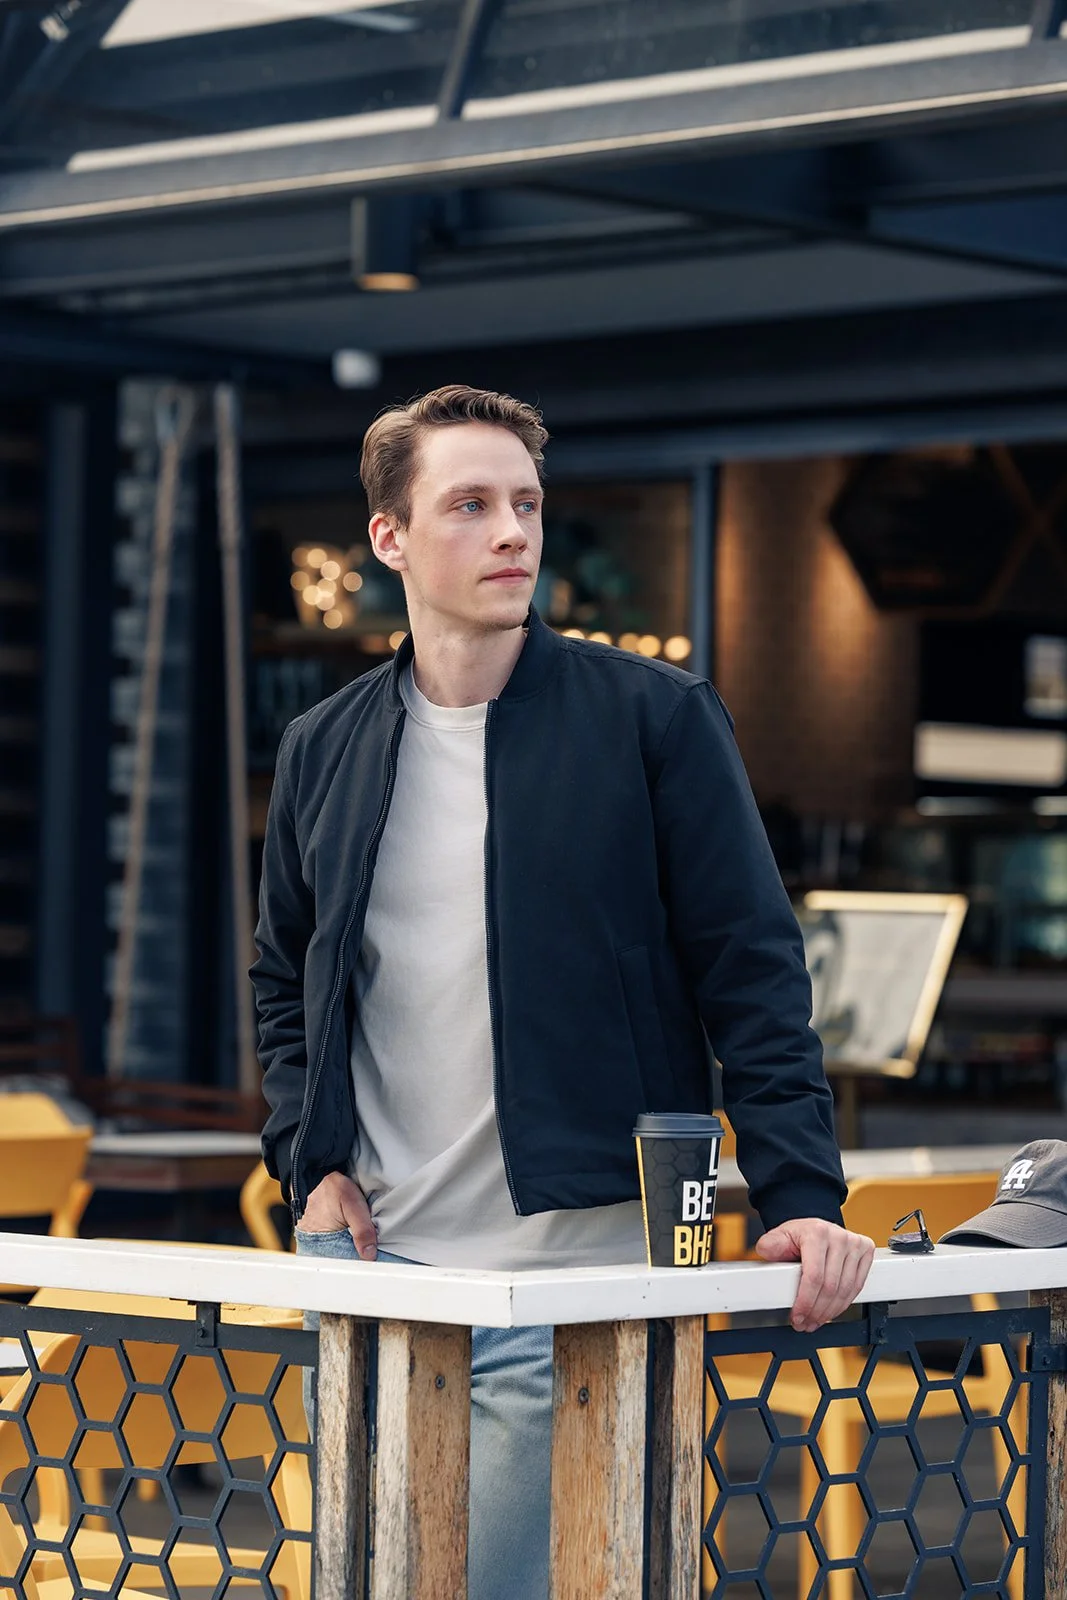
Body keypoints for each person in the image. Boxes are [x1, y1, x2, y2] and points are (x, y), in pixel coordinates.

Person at [251, 384, 874, 1600]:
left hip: (577, 1284)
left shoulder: (653, 718)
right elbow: (285, 974)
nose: (512, 533)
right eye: (470, 504)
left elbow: (750, 969)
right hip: (376, 1281)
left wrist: (800, 1191)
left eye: (526, 504)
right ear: (389, 537)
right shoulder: (323, 746)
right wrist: (302, 1157)